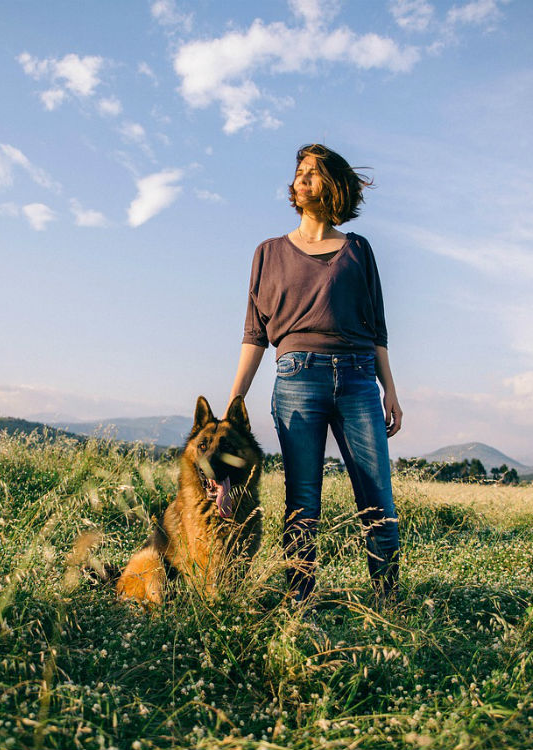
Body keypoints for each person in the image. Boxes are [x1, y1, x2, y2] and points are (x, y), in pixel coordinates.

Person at [228, 143, 402, 605]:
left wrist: (391, 391)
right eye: (299, 172)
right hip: (297, 378)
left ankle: (388, 602)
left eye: (312, 173)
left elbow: (377, 326)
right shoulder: (267, 252)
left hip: (360, 378)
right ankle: (298, 603)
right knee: (303, 501)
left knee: (377, 497)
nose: (301, 179)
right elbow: (255, 333)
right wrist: (235, 399)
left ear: (333, 184)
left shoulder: (359, 251)